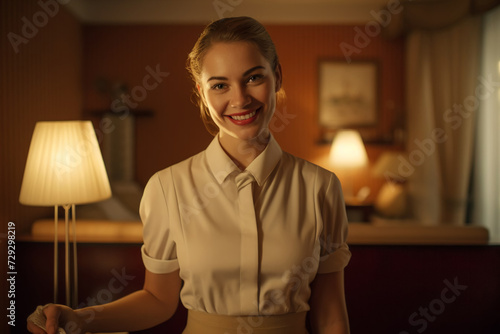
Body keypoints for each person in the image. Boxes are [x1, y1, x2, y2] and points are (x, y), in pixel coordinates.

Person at [27, 16, 351, 334]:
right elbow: (157, 299)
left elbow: (331, 316)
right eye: (220, 85)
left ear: (277, 76)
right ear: (202, 92)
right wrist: (81, 319)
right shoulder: (167, 188)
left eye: (253, 78)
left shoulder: (320, 188)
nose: (239, 99)